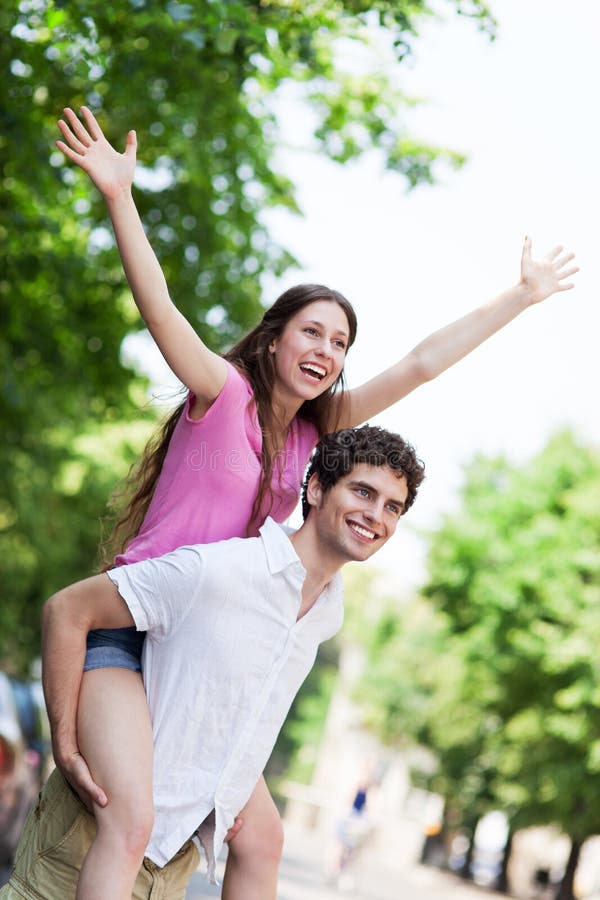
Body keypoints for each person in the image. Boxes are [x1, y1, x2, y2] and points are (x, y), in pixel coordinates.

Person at [51, 105, 578, 900]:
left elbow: (423, 363)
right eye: (313, 332)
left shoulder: (315, 442)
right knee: (129, 819)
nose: (327, 352)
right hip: (131, 627)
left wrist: (519, 298)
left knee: (263, 837)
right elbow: (159, 304)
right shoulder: (218, 392)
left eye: (340, 344)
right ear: (273, 340)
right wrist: (120, 196)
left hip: (197, 644)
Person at [1, 426, 425, 900]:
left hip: (170, 866)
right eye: (363, 492)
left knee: (268, 842)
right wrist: (65, 742)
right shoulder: (223, 571)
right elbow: (68, 610)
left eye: (392, 506)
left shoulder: (328, 612)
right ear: (317, 487)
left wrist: (231, 785)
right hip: (84, 845)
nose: (376, 515)